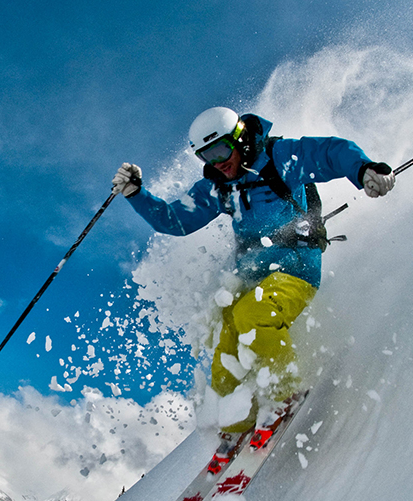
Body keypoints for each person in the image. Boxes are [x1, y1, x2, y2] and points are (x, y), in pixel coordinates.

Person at [112, 107, 394, 436]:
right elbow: (175, 220)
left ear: (239, 138)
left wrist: (363, 170)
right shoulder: (218, 187)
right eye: (206, 155)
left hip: (297, 265)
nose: (217, 162)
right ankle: (235, 423)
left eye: (219, 150)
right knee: (225, 336)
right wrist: (136, 195)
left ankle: (284, 394)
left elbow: (328, 153)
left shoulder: (279, 157)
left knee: (253, 313)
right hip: (252, 275)